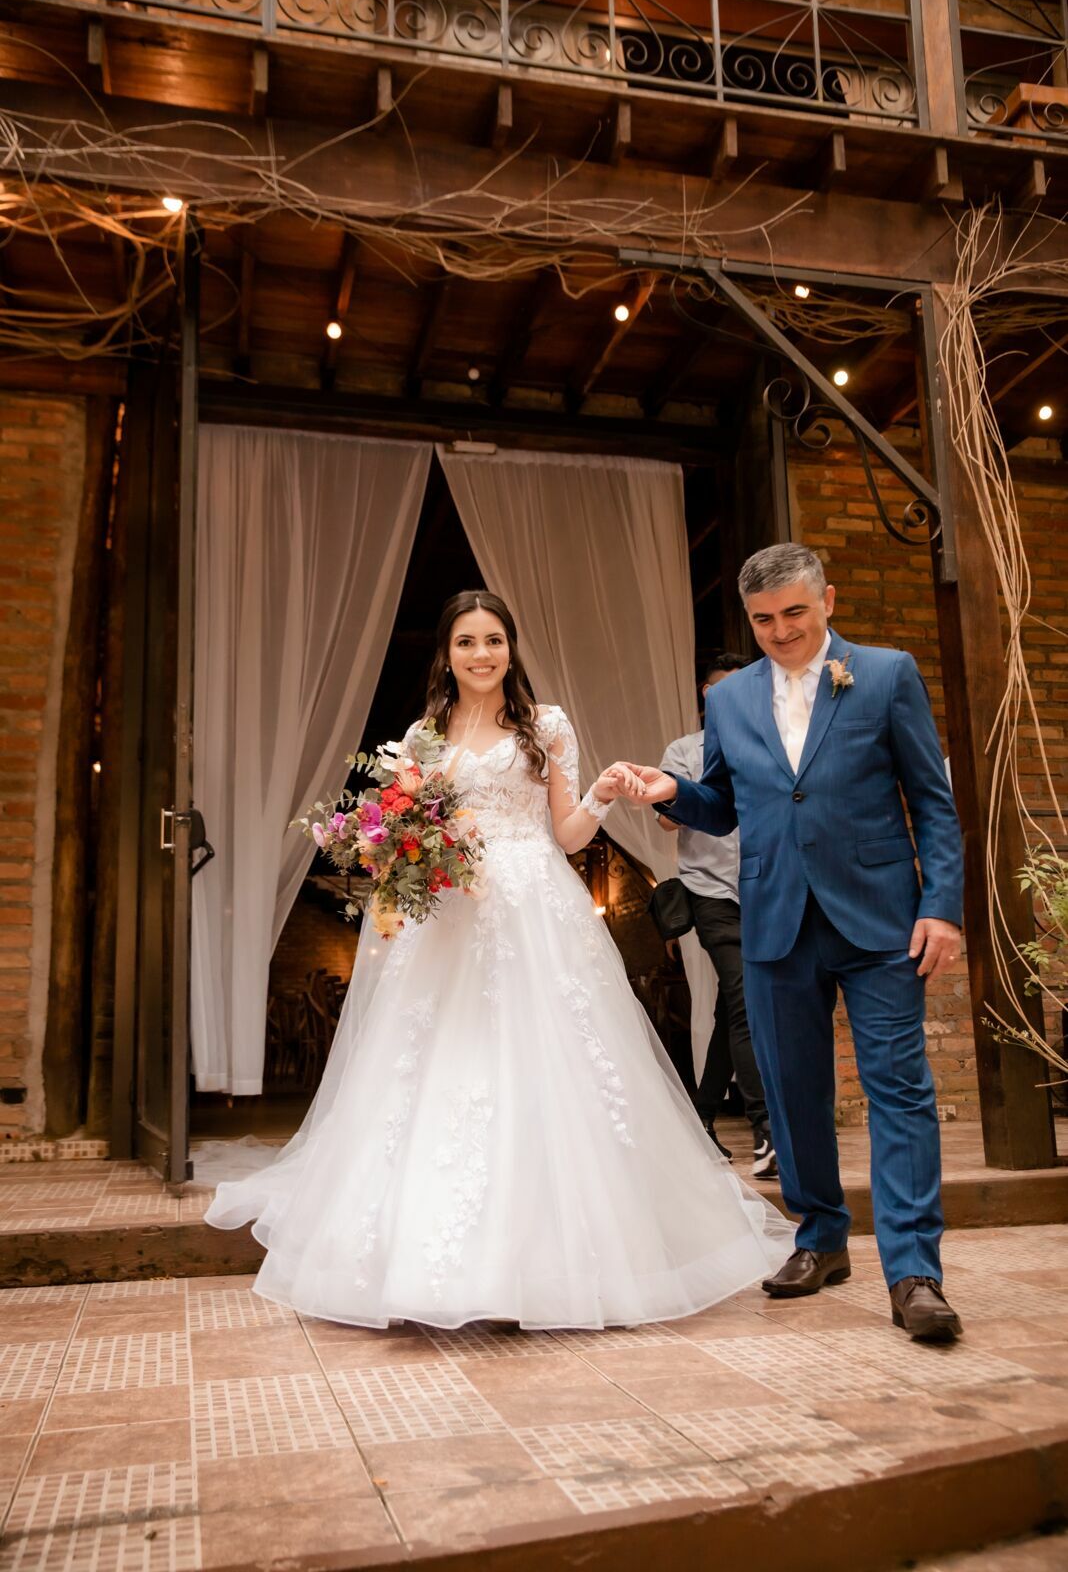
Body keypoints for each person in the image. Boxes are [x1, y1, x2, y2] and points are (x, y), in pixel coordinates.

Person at [204, 590, 794, 1329]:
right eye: (466, 643)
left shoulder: (546, 726)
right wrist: (401, 855)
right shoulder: (424, 734)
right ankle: (425, 1259)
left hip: (532, 906)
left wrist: (605, 795)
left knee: (548, 1060)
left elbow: (570, 835)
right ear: (446, 656)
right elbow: (410, 827)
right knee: (437, 1057)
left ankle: (560, 1260)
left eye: (493, 640)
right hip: (448, 912)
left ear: (510, 647)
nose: (481, 655)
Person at [627, 544, 966, 1343]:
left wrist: (942, 906)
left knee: (899, 1089)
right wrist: (673, 791)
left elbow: (932, 799)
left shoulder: (886, 674)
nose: (779, 631)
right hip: (775, 918)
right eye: (763, 619)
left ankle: (914, 1270)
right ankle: (819, 1238)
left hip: (882, 920)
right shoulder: (731, 699)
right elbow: (721, 804)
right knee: (791, 1093)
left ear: (828, 601)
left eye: (794, 613)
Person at [659, 653, 776, 1179]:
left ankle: (700, 1118)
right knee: (745, 1002)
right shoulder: (683, 752)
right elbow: (666, 823)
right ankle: (766, 1132)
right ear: (709, 695)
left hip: (766, 889)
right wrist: (683, 796)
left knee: (735, 1010)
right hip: (710, 893)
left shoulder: (768, 742)